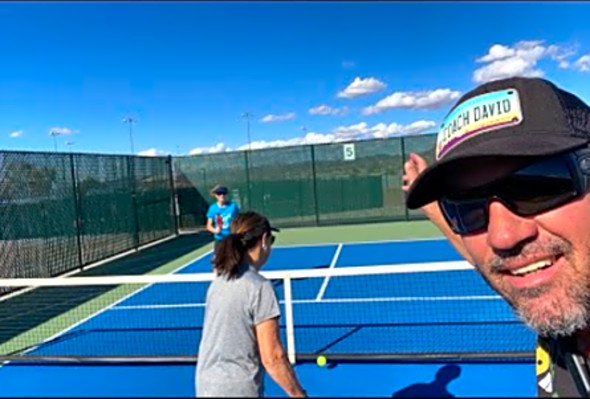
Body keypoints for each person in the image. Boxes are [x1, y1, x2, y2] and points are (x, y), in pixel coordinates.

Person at [403, 76, 590, 397]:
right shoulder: (564, 306)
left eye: (537, 187)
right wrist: (437, 210)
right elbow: (503, 267)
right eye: (466, 206)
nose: (502, 237)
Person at [196, 211, 307, 398]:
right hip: (239, 390)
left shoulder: (218, 282)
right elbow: (273, 357)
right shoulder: (260, 287)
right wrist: (299, 394)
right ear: (264, 240)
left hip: (205, 387)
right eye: (271, 240)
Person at [205, 184, 240, 253]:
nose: (222, 195)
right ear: (215, 195)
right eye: (219, 193)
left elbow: (238, 220)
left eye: (224, 193)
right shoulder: (213, 208)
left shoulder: (233, 206)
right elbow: (208, 226)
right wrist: (215, 230)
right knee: (218, 261)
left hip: (231, 238)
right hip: (219, 239)